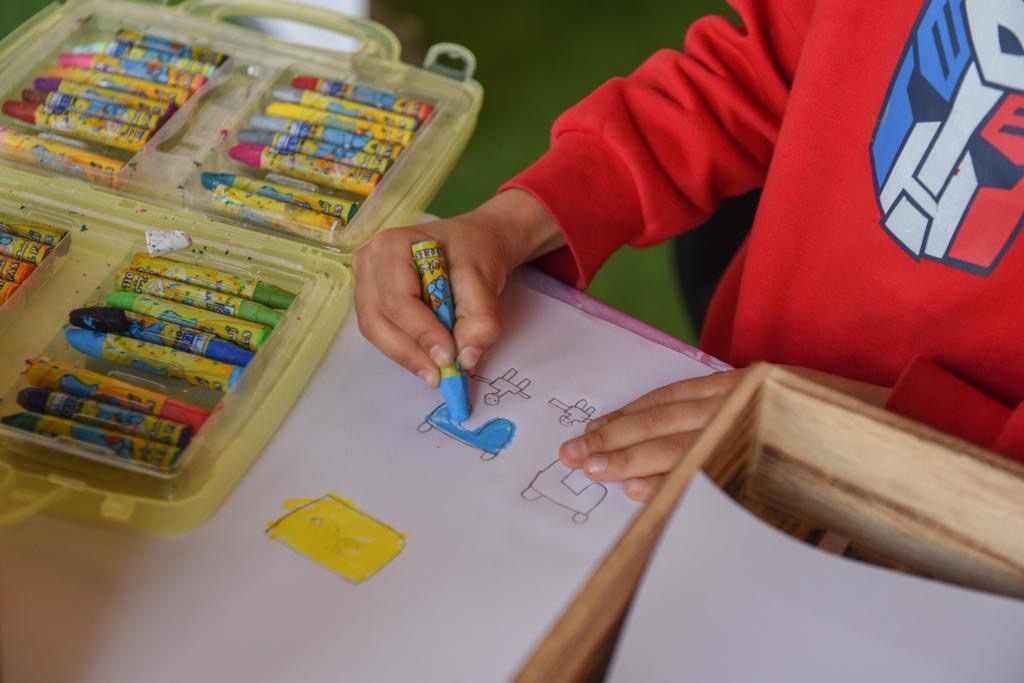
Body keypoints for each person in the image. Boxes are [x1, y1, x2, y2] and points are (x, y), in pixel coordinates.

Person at [354, 0, 1024, 501]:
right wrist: (513, 222)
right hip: (732, 400)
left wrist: (882, 427)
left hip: (967, 514)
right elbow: (762, 70)